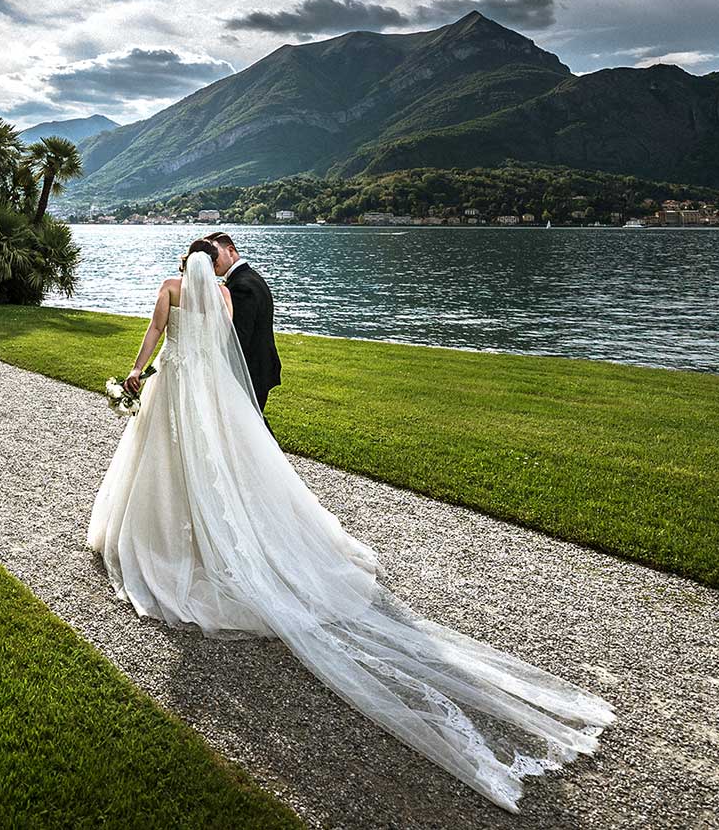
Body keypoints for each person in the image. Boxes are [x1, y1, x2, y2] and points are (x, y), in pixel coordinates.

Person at [87, 241, 613, 812]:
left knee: (165, 463)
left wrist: (139, 373)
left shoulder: (169, 290)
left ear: (178, 265)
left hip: (174, 387)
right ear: (208, 264)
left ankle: (168, 537)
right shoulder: (219, 293)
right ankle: (222, 535)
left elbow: (155, 339)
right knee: (222, 470)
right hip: (209, 391)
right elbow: (223, 348)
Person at [205, 231, 280, 412]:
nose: (212, 260)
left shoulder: (241, 287)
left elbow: (239, 337)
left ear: (230, 250)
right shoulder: (251, 277)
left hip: (249, 371)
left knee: (247, 428)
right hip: (260, 367)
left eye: (215, 254)